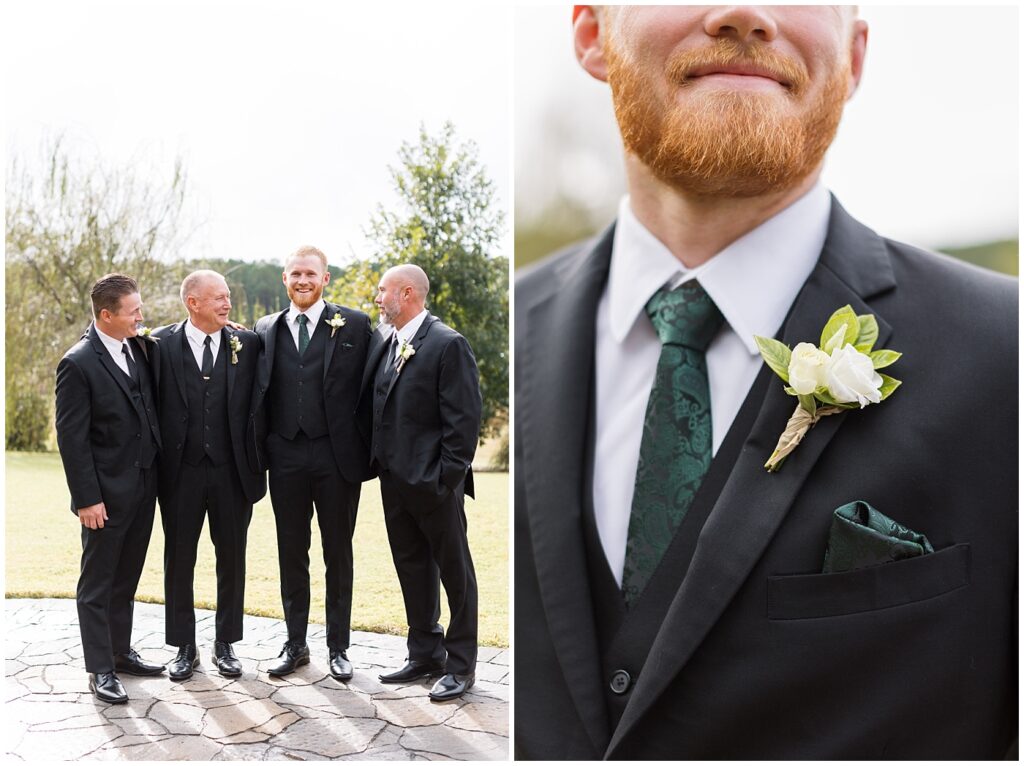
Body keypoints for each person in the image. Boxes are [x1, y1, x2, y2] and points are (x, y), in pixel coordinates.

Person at [514, 6, 1016, 759]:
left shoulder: (1008, 355)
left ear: (855, 52)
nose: (743, 11)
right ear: (592, 35)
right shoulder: (505, 327)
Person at [362, 264, 482, 701]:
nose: (378, 298)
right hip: (393, 483)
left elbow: (464, 423)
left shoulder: (448, 344)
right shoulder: (386, 341)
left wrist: (443, 481)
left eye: (382, 290)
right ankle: (424, 654)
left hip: (434, 486)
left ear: (407, 293)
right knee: (412, 568)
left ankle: (462, 664)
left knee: (456, 575)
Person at [252, 245, 372, 680]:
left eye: (311, 274)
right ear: (284, 279)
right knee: (291, 552)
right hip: (284, 456)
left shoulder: (355, 324)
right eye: (295, 274)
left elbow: (372, 388)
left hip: (336, 458)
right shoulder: (266, 327)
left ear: (325, 280)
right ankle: (295, 643)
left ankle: (338, 647)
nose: (303, 281)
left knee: (337, 553)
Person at [55, 273, 166, 704]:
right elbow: (72, 437)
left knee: (127, 576)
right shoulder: (78, 362)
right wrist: (86, 499)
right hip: (104, 496)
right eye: (134, 311)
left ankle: (120, 652)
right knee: (98, 583)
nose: (142, 316)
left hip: (144, 486)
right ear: (107, 315)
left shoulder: (137, 346)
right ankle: (100, 668)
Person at [152, 270, 265, 680]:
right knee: (178, 560)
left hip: (233, 472)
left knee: (231, 559)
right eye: (217, 297)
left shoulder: (247, 342)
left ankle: (226, 642)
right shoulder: (158, 344)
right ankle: (184, 645)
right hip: (179, 474)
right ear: (192, 303)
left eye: (228, 296)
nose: (227, 304)